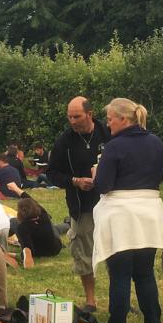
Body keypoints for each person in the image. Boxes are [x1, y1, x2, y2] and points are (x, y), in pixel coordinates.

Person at [92, 97, 163, 323]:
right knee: (144, 273)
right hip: (149, 214)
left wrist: (96, 174)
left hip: (121, 215)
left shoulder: (114, 147)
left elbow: (103, 185)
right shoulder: (156, 143)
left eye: (110, 119)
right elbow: (160, 175)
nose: (108, 124)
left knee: (120, 274)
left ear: (123, 119)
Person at [46, 96, 110, 312]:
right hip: (82, 206)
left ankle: (120, 299)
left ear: (90, 114)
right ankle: (91, 301)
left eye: (77, 116)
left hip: (111, 203)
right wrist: (75, 181)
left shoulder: (107, 132)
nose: (73, 121)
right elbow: (52, 173)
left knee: (116, 252)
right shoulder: (65, 141)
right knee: (83, 252)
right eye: (70, 117)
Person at [13, 197, 63, 268]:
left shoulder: (22, 227)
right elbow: (38, 205)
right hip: (54, 249)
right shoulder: (45, 217)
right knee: (55, 228)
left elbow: (28, 248)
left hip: (37, 253)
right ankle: (68, 223)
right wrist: (20, 193)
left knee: (12, 221)